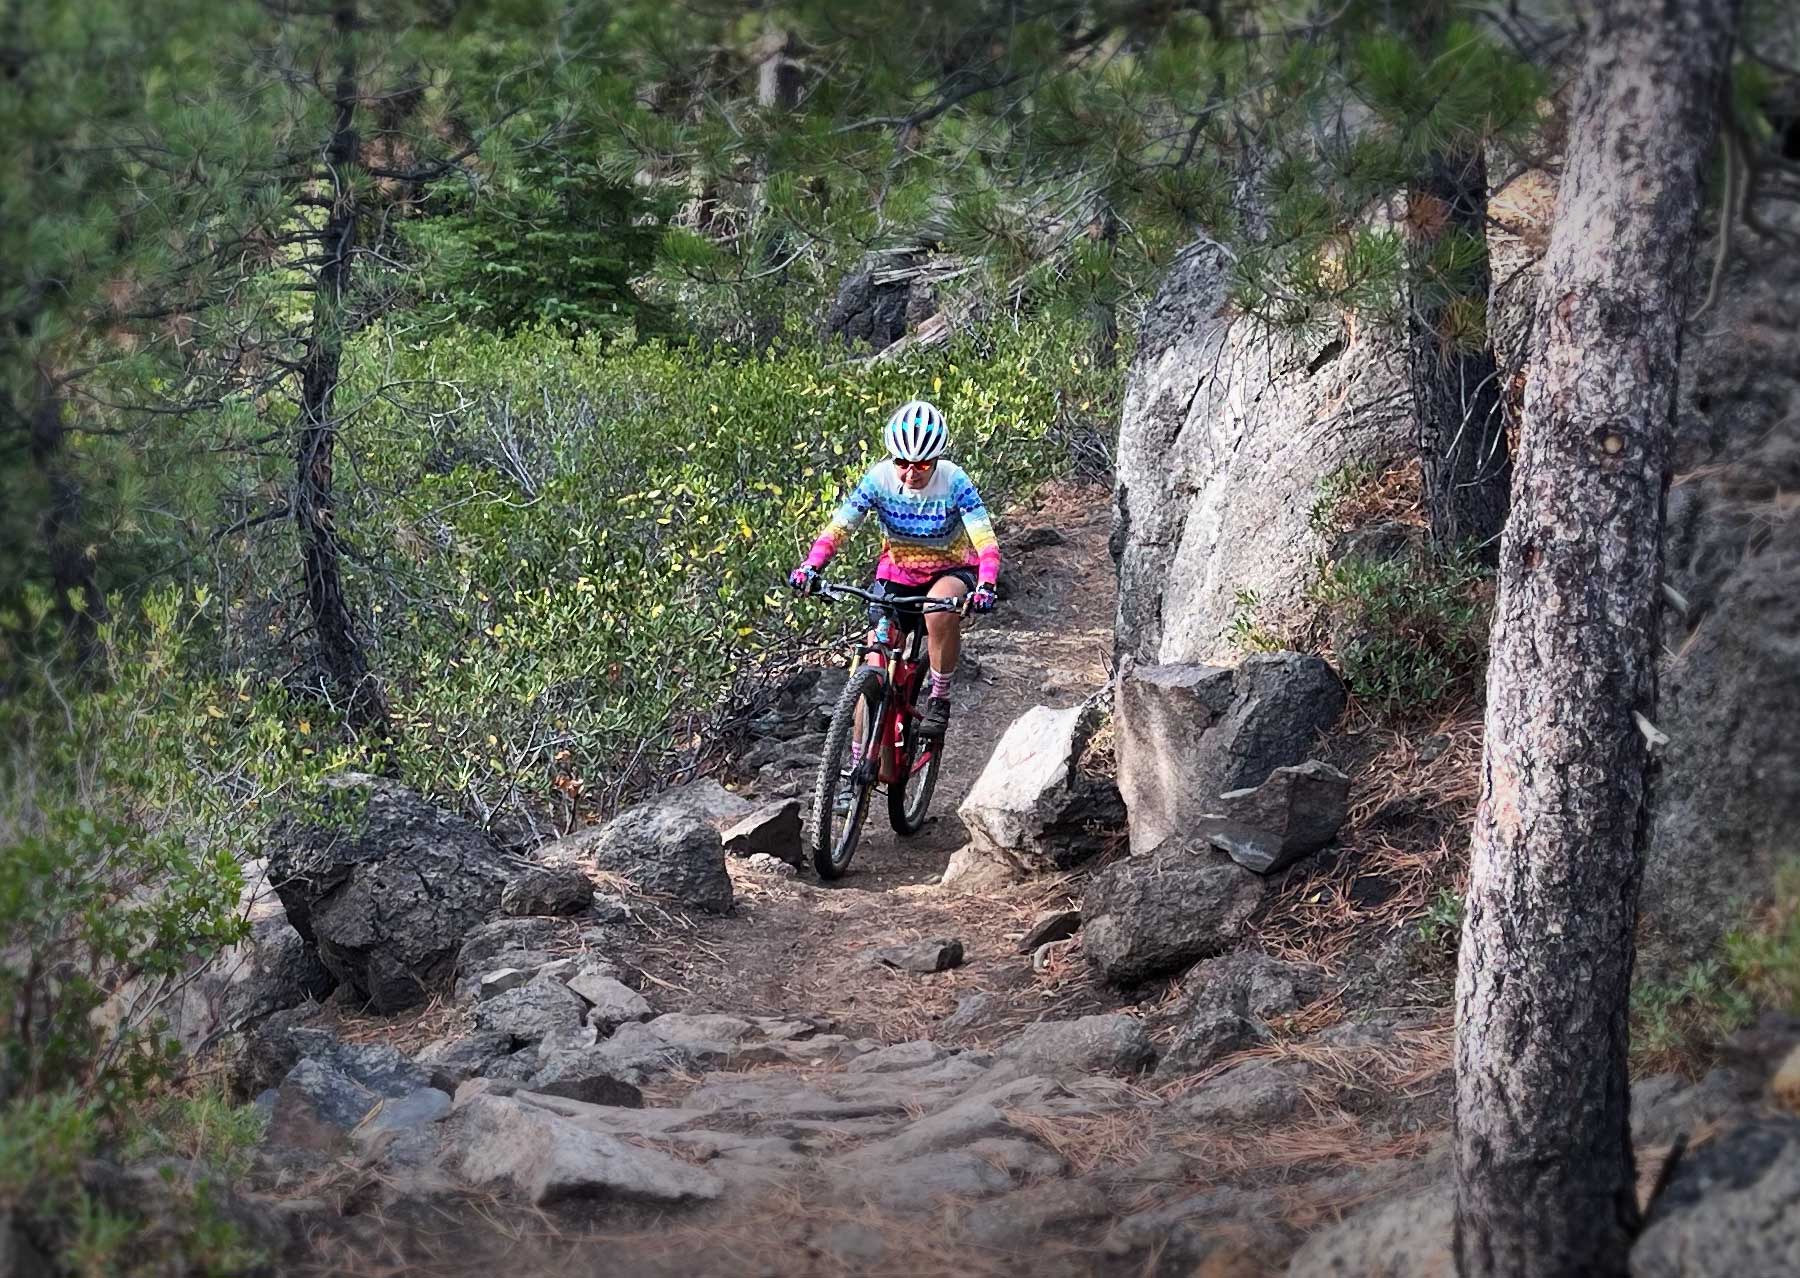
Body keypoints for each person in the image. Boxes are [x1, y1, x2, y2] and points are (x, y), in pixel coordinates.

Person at [788, 399, 999, 742]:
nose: (911, 473)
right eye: (902, 463)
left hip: (951, 568)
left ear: (937, 459)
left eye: (922, 464)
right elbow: (841, 526)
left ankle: (939, 698)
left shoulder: (954, 480)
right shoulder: (879, 480)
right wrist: (812, 566)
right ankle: (857, 772)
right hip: (898, 572)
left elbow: (985, 540)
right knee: (873, 661)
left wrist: (986, 584)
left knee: (937, 607)